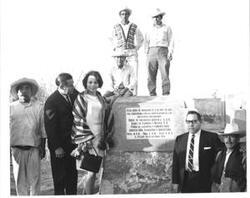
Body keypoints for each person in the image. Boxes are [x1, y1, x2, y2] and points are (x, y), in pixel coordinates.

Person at [71, 71, 107, 194]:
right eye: (90, 82)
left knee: (99, 170)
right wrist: (87, 138)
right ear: (86, 83)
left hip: (100, 137)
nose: (92, 85)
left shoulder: (101, 98)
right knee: (91, 172)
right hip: (87, 137)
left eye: (95, 82)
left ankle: (88, 193)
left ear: (99, 83)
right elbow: (78, 117)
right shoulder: (81, 97)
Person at [172, 110, 223, 193]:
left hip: (204, 179)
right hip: (185, 179)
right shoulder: (180, 139)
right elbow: (176, 162)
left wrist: (216, 176)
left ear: (200, 122)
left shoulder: (211, 137)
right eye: (188, 122)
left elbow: (222, 155)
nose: (191, 124)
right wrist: (175, 181)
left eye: (194, 121)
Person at [10, 77, 46, 195]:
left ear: (31, 91)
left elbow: (42, 128)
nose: (24, 91)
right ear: (17, 91)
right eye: (21, 89)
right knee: (20, 182)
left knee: (35, 181)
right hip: (16, 149)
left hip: (33, 149)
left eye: (27, 88)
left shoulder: (38, 107)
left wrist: (43, 146)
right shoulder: (11, 107)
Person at [44, 73, 78, 195]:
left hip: (72, 146)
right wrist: (57, 147)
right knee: (59, 180)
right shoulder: (51, 101)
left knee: (72, 178)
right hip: (59, 148)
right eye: (71, 84)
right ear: (62, 86)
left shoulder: (73, 94)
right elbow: (50, 127)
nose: (73, 86)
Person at [111, 6, 144, 95]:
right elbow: (111, 38)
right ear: (120, 15)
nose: (124, 16)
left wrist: (136, 48)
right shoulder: (115, 27)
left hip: (131, 53)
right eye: (122, 14)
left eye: (126, 14)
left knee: (134, 73)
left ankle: (134, 94)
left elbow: (141, 38)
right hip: (120, 53)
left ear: (129, 15)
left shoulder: (134, 26)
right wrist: (115, 47)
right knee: (120, 73)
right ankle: (117, 93)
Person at [144, 8, 174, 96]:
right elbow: (146, 41)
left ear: (161, 18)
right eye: (154, 17)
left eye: (158, 17)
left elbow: (171, 40)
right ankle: (152, 93)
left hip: (163, 50)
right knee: (151, 74)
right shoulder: (149, 29)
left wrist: (170, 52)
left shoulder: (167, 28)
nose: (156, 19)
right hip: (151, 50)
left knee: (164, 73)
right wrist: (147, 52)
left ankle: (166, 93)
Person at [211, 123, 246, 192]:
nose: (228, 140)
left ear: (238, 139)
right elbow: (215, 179)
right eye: (226, 137)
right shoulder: (220, 154)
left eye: (232, 136)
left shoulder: (243, 155)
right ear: (223, 139)